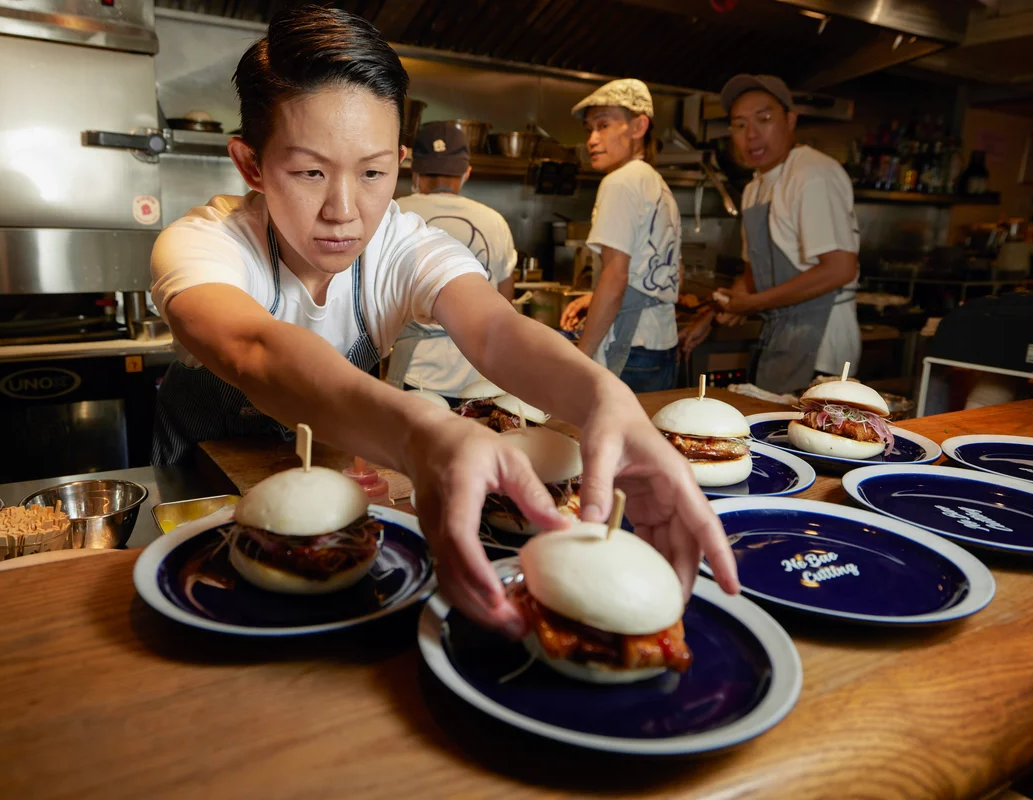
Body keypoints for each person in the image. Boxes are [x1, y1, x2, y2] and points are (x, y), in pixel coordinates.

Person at [148, 5, 738, 637]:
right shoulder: (203, 243)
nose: (344, 211)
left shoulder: (402, 244)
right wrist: (422, 432)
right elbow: (256, 351)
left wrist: (601, 399)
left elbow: (494, 329)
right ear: (251, 165)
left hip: (336, 503)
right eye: (310, 172)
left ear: (400, 162)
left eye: (374, 173)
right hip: (202, 493)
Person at [709, 74, 861, 394]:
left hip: (822, 347)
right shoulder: (753, 188)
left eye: (764, 119)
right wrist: (719, 312)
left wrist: (751, 304)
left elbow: (839, 268)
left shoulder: (812, 174)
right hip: (782, 337)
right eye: (739, 125)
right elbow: (754, 273)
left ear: (790, 120)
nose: (751, 135)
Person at [558, 79, 682, 393]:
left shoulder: (620, 182)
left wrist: (581, 356)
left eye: (604, 125)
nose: (592, 140)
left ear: (638, 126)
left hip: (631, 347)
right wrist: (593, 297)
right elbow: (668, 269)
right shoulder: (655, 183)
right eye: (589, 129)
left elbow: (615, 276)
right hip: (661, 345)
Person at [385, 121, 516, 398]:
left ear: (413, 170)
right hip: (479, 373)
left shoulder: (393, 213)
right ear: (466, 173)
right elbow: (505, 303)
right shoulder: (495, 222)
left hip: (414, 373)